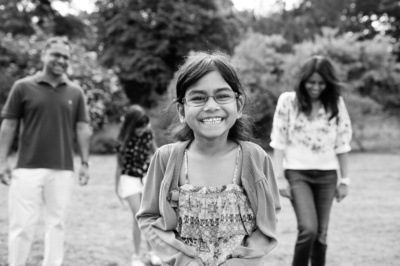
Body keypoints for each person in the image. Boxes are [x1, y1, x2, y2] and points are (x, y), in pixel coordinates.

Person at [137, 51, 281, 266]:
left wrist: (242, 261)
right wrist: (184, 260)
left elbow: (269, 217)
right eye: (198, 98)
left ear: (239, 105)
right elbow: (148, 218)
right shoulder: (166, 159)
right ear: (182, 110)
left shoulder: (254, 158)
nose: (211, 106)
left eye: (222, 96)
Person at [0, 36, 91, 266]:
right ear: (44, 55)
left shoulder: (75, 92)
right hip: (27, 167)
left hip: (62, 168)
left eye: (66, 57)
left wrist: (85, 163)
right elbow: (9, 125)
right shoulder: (22, 86)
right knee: (21, 226)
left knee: (56, 224)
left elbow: (82, 128)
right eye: (56, 55)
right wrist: (2, 161)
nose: (61, 60)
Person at [270, 55, 352, 266]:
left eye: (321, 83)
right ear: (303, 80)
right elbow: (278, 142)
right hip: (297, 174)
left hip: (327, 175)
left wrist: (345, 180)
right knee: (308, 229)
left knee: (321, 234)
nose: (315, 87)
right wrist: (279, 178)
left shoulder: (336, 104)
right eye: (311, 82)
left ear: (328, 83)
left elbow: (342, 143)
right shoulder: (288, 101)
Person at [115, 104, 161, 266]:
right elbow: (119, 165)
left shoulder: (148, 134)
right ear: (131, 125)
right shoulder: (122, 140)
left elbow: (155, 152)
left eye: (144, 126)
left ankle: (151, 253)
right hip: (129, 180)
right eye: (139, 126)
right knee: (137, 216)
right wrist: (117, 187)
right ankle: (136, 256)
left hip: (145, 178)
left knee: (148, 216)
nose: (142, 129)